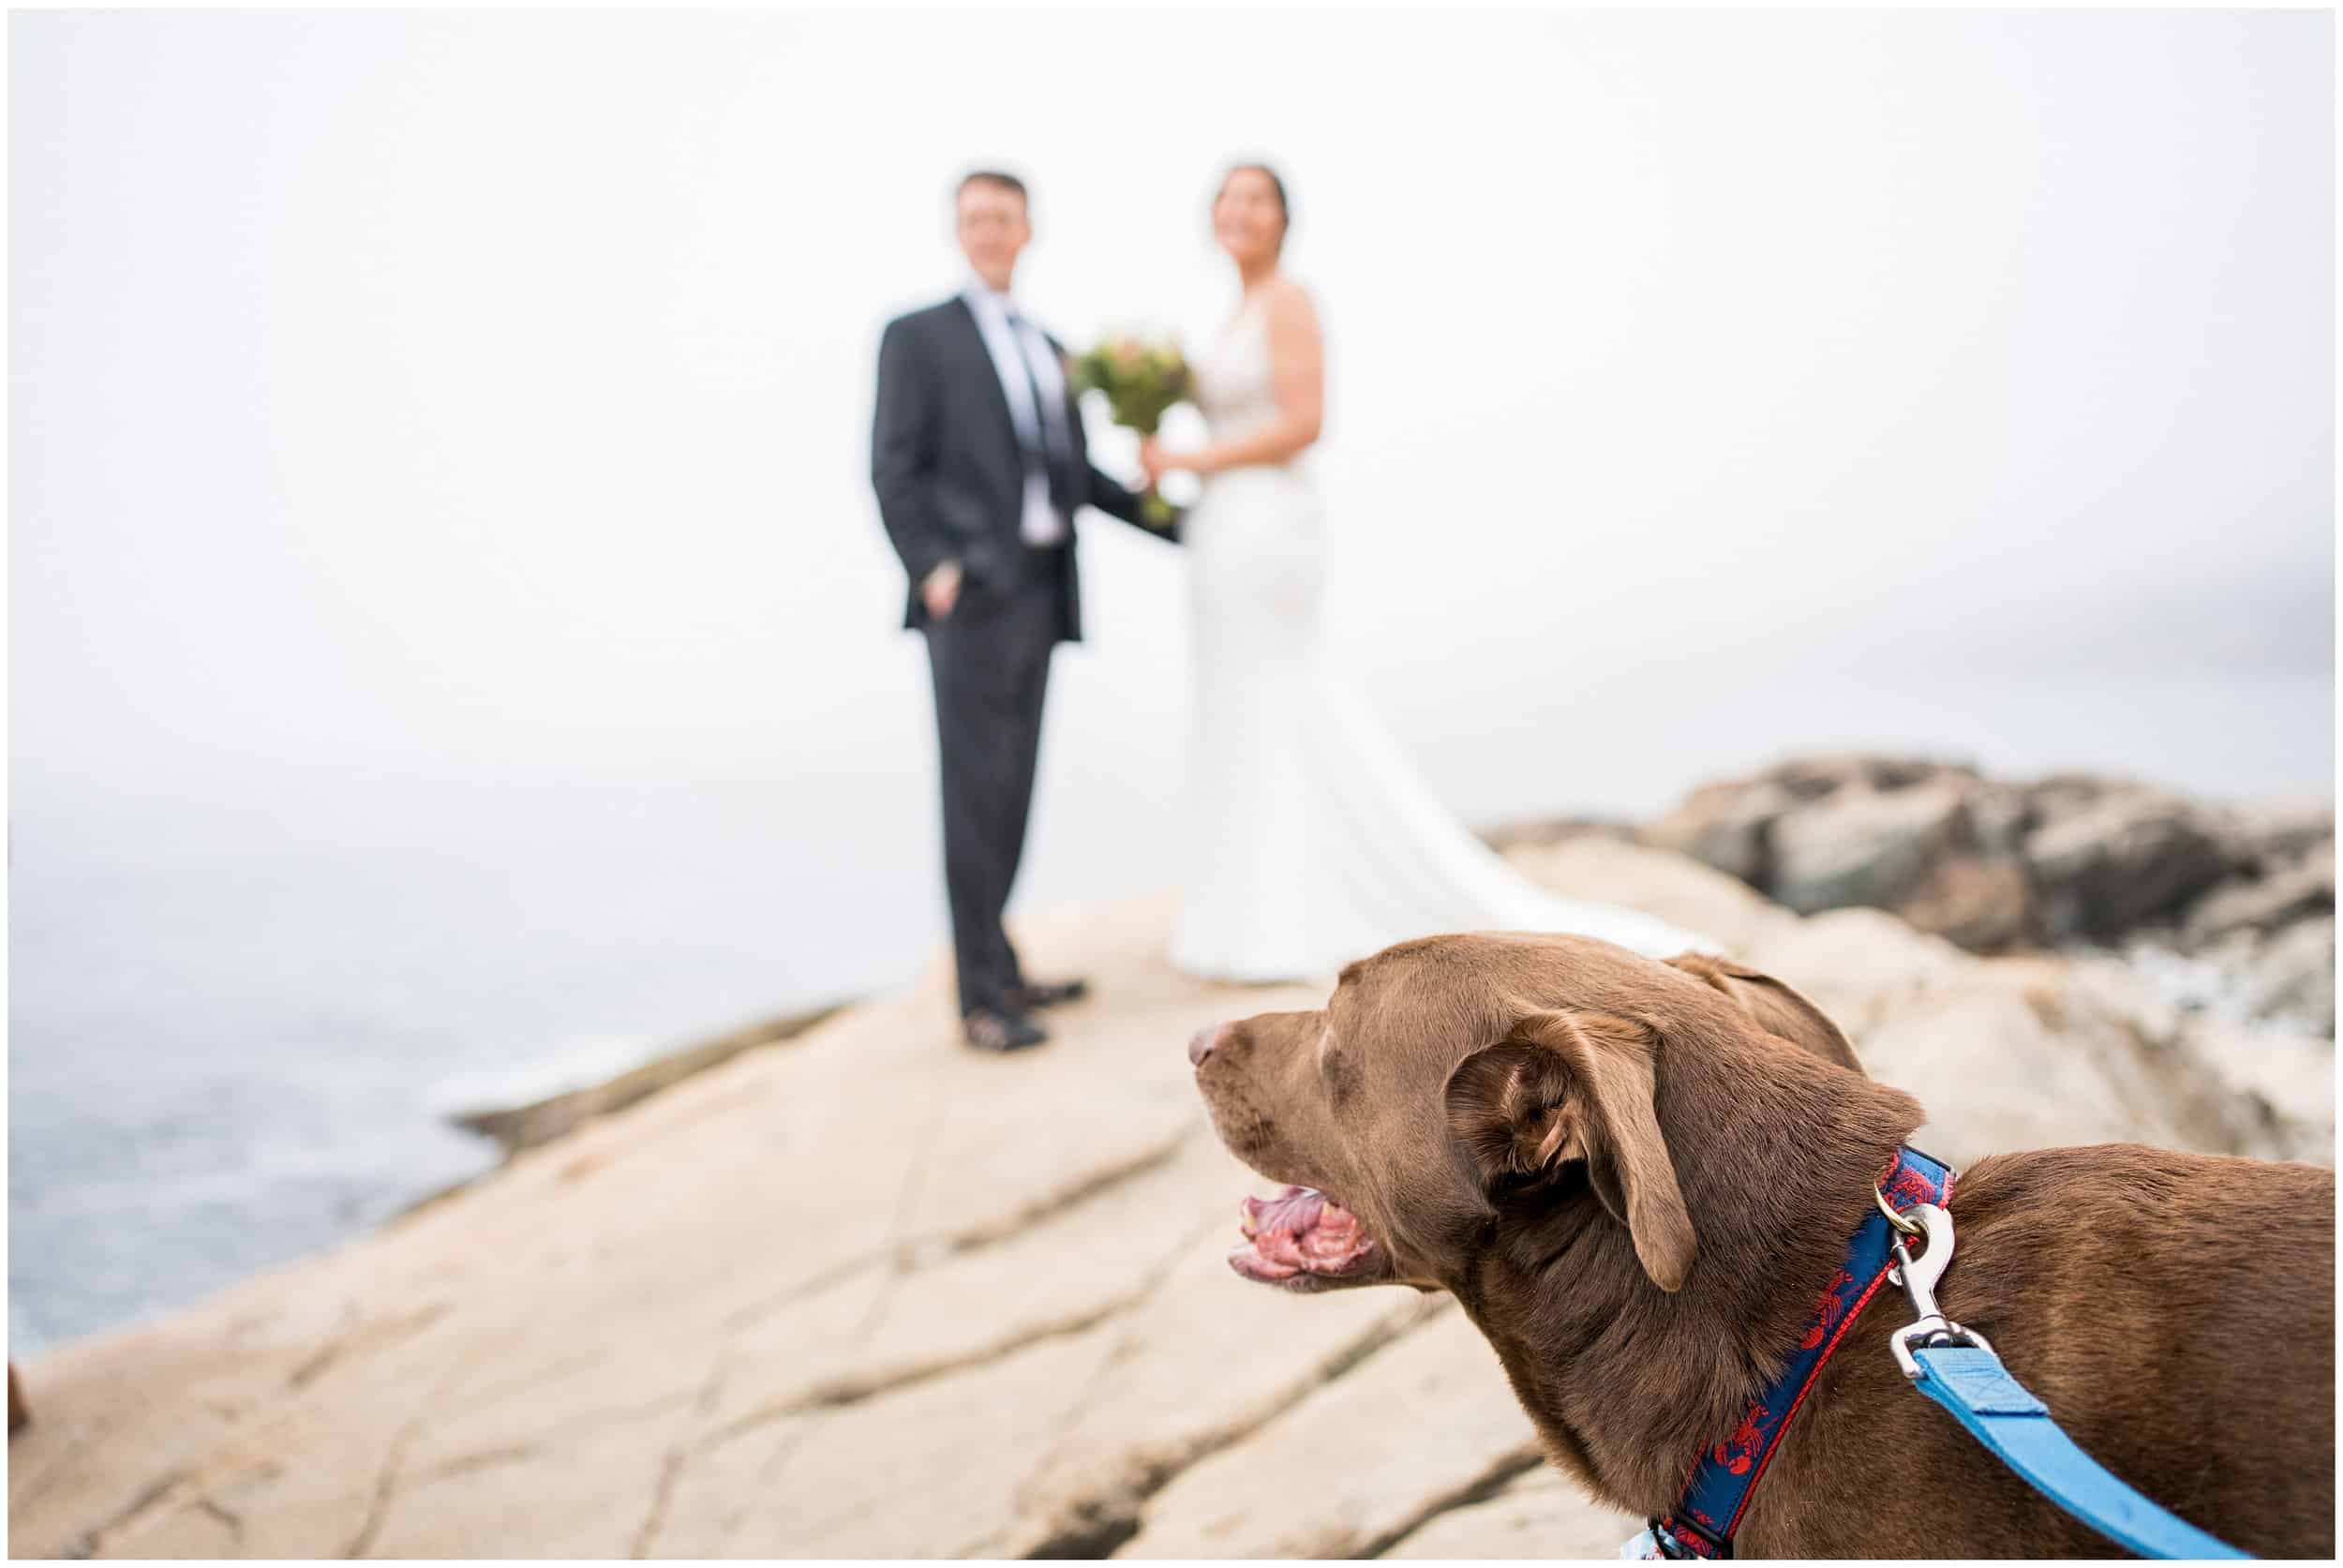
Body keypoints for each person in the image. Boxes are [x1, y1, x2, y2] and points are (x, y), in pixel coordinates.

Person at [1140, 163, 1709, 980]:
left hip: (1268, 525)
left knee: (1282, 695)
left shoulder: (1290, 301)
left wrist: (1191, 456)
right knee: (1239, 707)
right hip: (1223, 528)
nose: (1240, 212)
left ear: (1284, 220)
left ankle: (1301, 911)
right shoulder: (1234, 310)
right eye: (1228, 199)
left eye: (1257, 200)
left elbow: (1305, 421)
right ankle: (1250, 907)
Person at [872, 170, 1175, 1052]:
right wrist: (933, 568)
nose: (990, 230)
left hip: (1042, 594)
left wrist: (1185, 522)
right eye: (975, 218)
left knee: (1010, 791)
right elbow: (893, 466)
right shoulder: (917, 336)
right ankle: (978, 999)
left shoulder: (1048, 345)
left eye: (1004, 216)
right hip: (969, 601)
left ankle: (1003, 964)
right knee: (972, 795)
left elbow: (1074, 477)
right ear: (956, 230)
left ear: (1028, 229)